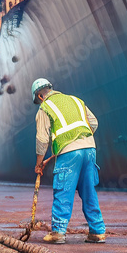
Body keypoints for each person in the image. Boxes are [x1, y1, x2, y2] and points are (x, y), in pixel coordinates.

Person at [32, 78, 107, 244]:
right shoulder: (76, 100)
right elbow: (93, 123)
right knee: (88, 190)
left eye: (37, 101)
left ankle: (58, 232)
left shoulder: (45, 108)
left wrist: (39, 163)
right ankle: (98, 231)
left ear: (40, 96)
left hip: (69, 154)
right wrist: (79, 140)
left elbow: (42, 139)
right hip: (89, 149)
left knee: (63, 189)